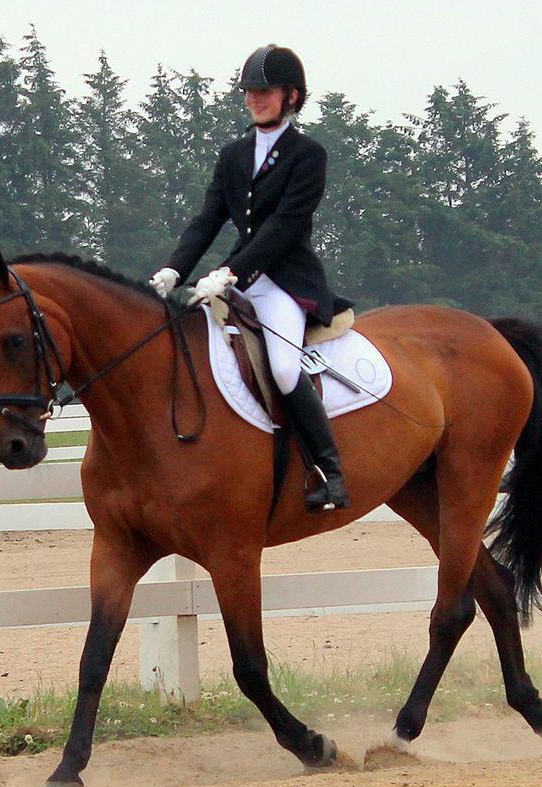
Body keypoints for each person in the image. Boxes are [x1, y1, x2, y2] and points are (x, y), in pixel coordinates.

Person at [148, 44, 353, 511]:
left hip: (285, 280)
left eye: (265, 91)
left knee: (282, 366)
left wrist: (229, 271)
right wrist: (175, 267)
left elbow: (284, 227)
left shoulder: (308, 155)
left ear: (292, 96)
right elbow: (208, 219)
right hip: (235, 277)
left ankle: (330, 470)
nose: (254, 98)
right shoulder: (234, 154)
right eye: (249, 91)